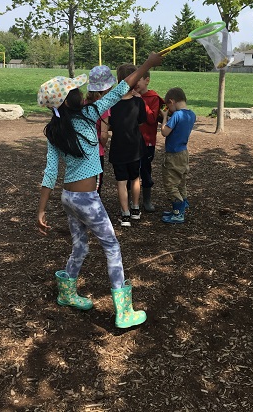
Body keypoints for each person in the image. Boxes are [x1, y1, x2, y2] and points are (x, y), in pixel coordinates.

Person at [36, 51, 164, 329]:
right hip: (85, 199)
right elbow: (121, 88)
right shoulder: (88, 114)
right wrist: (147, 65)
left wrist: (42, 209)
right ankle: (123, 311)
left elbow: (49, 172)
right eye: (76, 90)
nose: (81, 92)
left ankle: (67, 294)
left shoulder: (55, 129)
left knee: (80, 246)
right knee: (112, 247)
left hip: (68, 198)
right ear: (72, 100)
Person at [109, 63, 146, 227]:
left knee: (121, 181)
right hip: (134, 148)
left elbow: (109, 124)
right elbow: (141, 121)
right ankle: (136, 209)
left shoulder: (111, 103)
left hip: (118, 148)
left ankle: (125, 214)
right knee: (135, 178)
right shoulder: (139, 102)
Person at [159, 87, 196, 224]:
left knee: (170, 183)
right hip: (184, 152)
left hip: (173, 154)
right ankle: (183, 204)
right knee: (181, 181)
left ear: (172, 101)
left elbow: (165, 132)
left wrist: (164, 118)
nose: (168, 108)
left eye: (168, 105)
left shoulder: (177, 115)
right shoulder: (191, 115)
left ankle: (178, 212)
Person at [132, 71, 164, 212]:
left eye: (139, 79)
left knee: (145, 170)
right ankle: (132, 201)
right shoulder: (130, 96)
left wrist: (141, 101)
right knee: (132, 171)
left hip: (147, 142)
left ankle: (147, 200)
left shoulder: (153, 98)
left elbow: (151, 119)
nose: (136, 83)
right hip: (132, 141)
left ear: (147, 80)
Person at [85, 65, 116, 195]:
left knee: (85, 181)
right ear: (107, 88)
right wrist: (103, 144)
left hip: (83, 150)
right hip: (96, 153)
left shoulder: (84, 103)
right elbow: (103, 135)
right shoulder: (103, 107)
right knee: (97, 185)